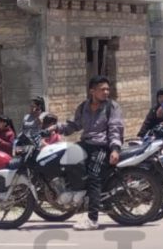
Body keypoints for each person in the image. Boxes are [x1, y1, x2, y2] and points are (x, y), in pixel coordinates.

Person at [52, 76, 124, 231]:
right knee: (65, 161)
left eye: (107, 89)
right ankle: (75, 196)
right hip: (86, 144)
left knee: (94, 177)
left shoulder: (112, 107)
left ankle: (92, 219)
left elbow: (115, 129)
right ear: (92, 91)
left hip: (102, 146)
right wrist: (54, 128)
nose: (106, 92)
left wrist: (115, 149)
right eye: (102, 89)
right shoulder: (83, 106)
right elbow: (74, 125)